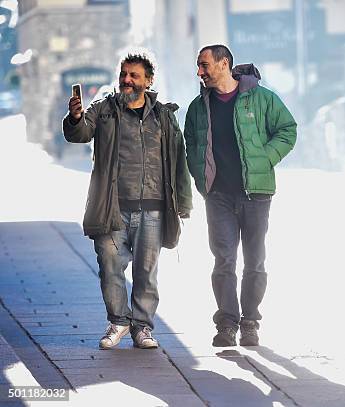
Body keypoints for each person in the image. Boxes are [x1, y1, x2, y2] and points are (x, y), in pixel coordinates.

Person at [63, 51, 192, 349]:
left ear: (148, 80)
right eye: (123, 74)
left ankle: (143, 327)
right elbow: (80, 133)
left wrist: (183, 202)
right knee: (110, 264)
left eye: (134, 75)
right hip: (112, 206)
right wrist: (75, 117)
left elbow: (178, 160)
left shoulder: (163, 116)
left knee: (146, 273)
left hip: (154, 208)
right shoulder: (104, 110)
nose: (127, 80)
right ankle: (119, 322)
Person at [184, 45, 297, 347]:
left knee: (255, 260)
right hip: (218, 195)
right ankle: (226, 323)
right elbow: (191, 145)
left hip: (256, 193)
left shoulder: (261, 98)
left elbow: (287, 130)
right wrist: (201, 179)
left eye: (204, 65)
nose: (200, 72)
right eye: (198, 66)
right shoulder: (198, 107)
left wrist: (265, 158)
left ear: (223, 64)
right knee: (223, 259)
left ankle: (250, 320)